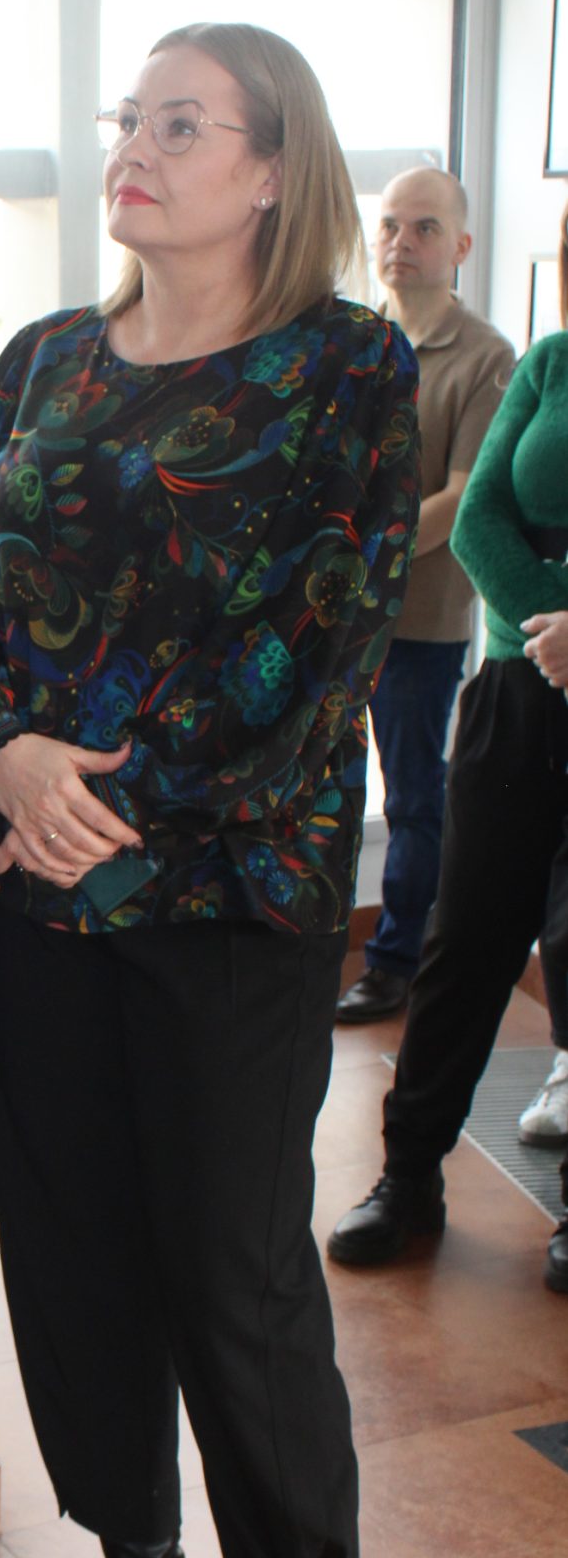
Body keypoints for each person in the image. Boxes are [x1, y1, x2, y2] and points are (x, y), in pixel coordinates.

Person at [0, 22, 419, 1558]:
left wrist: (97, 797)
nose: (133, 144)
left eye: (180, 122)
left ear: (272, 168)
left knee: (233, 1276)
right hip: (33, 895)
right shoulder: (42, 359)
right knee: (70, 1259)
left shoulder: (346, 367)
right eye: (127, 116)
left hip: (228, 899)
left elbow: (324, 637)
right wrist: (2, 752)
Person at [329, 214, 568, 1294]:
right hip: (519, 692)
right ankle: (407, 1175)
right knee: (464, 943)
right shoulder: (549, 364)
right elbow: (477, 520)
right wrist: (552, 627)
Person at [334, 168, 513, 1025]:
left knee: (410, 799)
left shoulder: (486, 358)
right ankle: (312, 947)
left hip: (418, 620)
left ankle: (397, 962)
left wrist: (366, 559)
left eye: (424, 228)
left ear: (461, 247)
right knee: (324, 791)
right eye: (390, 225)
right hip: (334, 616)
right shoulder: (355, 342)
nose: (400, 243)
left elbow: (463, 496)